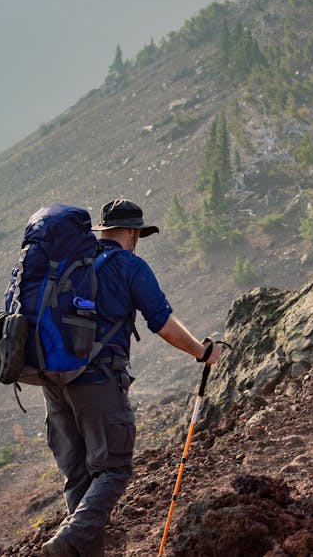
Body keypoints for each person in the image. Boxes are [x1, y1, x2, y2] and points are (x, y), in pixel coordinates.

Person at [42, 199, 222, 557]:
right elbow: (164, 325)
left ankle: (76, 547)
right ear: (135, 232)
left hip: (54, 383)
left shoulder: (71, 264)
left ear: (103, 230)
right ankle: (69, 541)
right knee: (114, 470)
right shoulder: (129, 266)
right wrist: (202, 352)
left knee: (79, 477)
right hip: (99, 382)